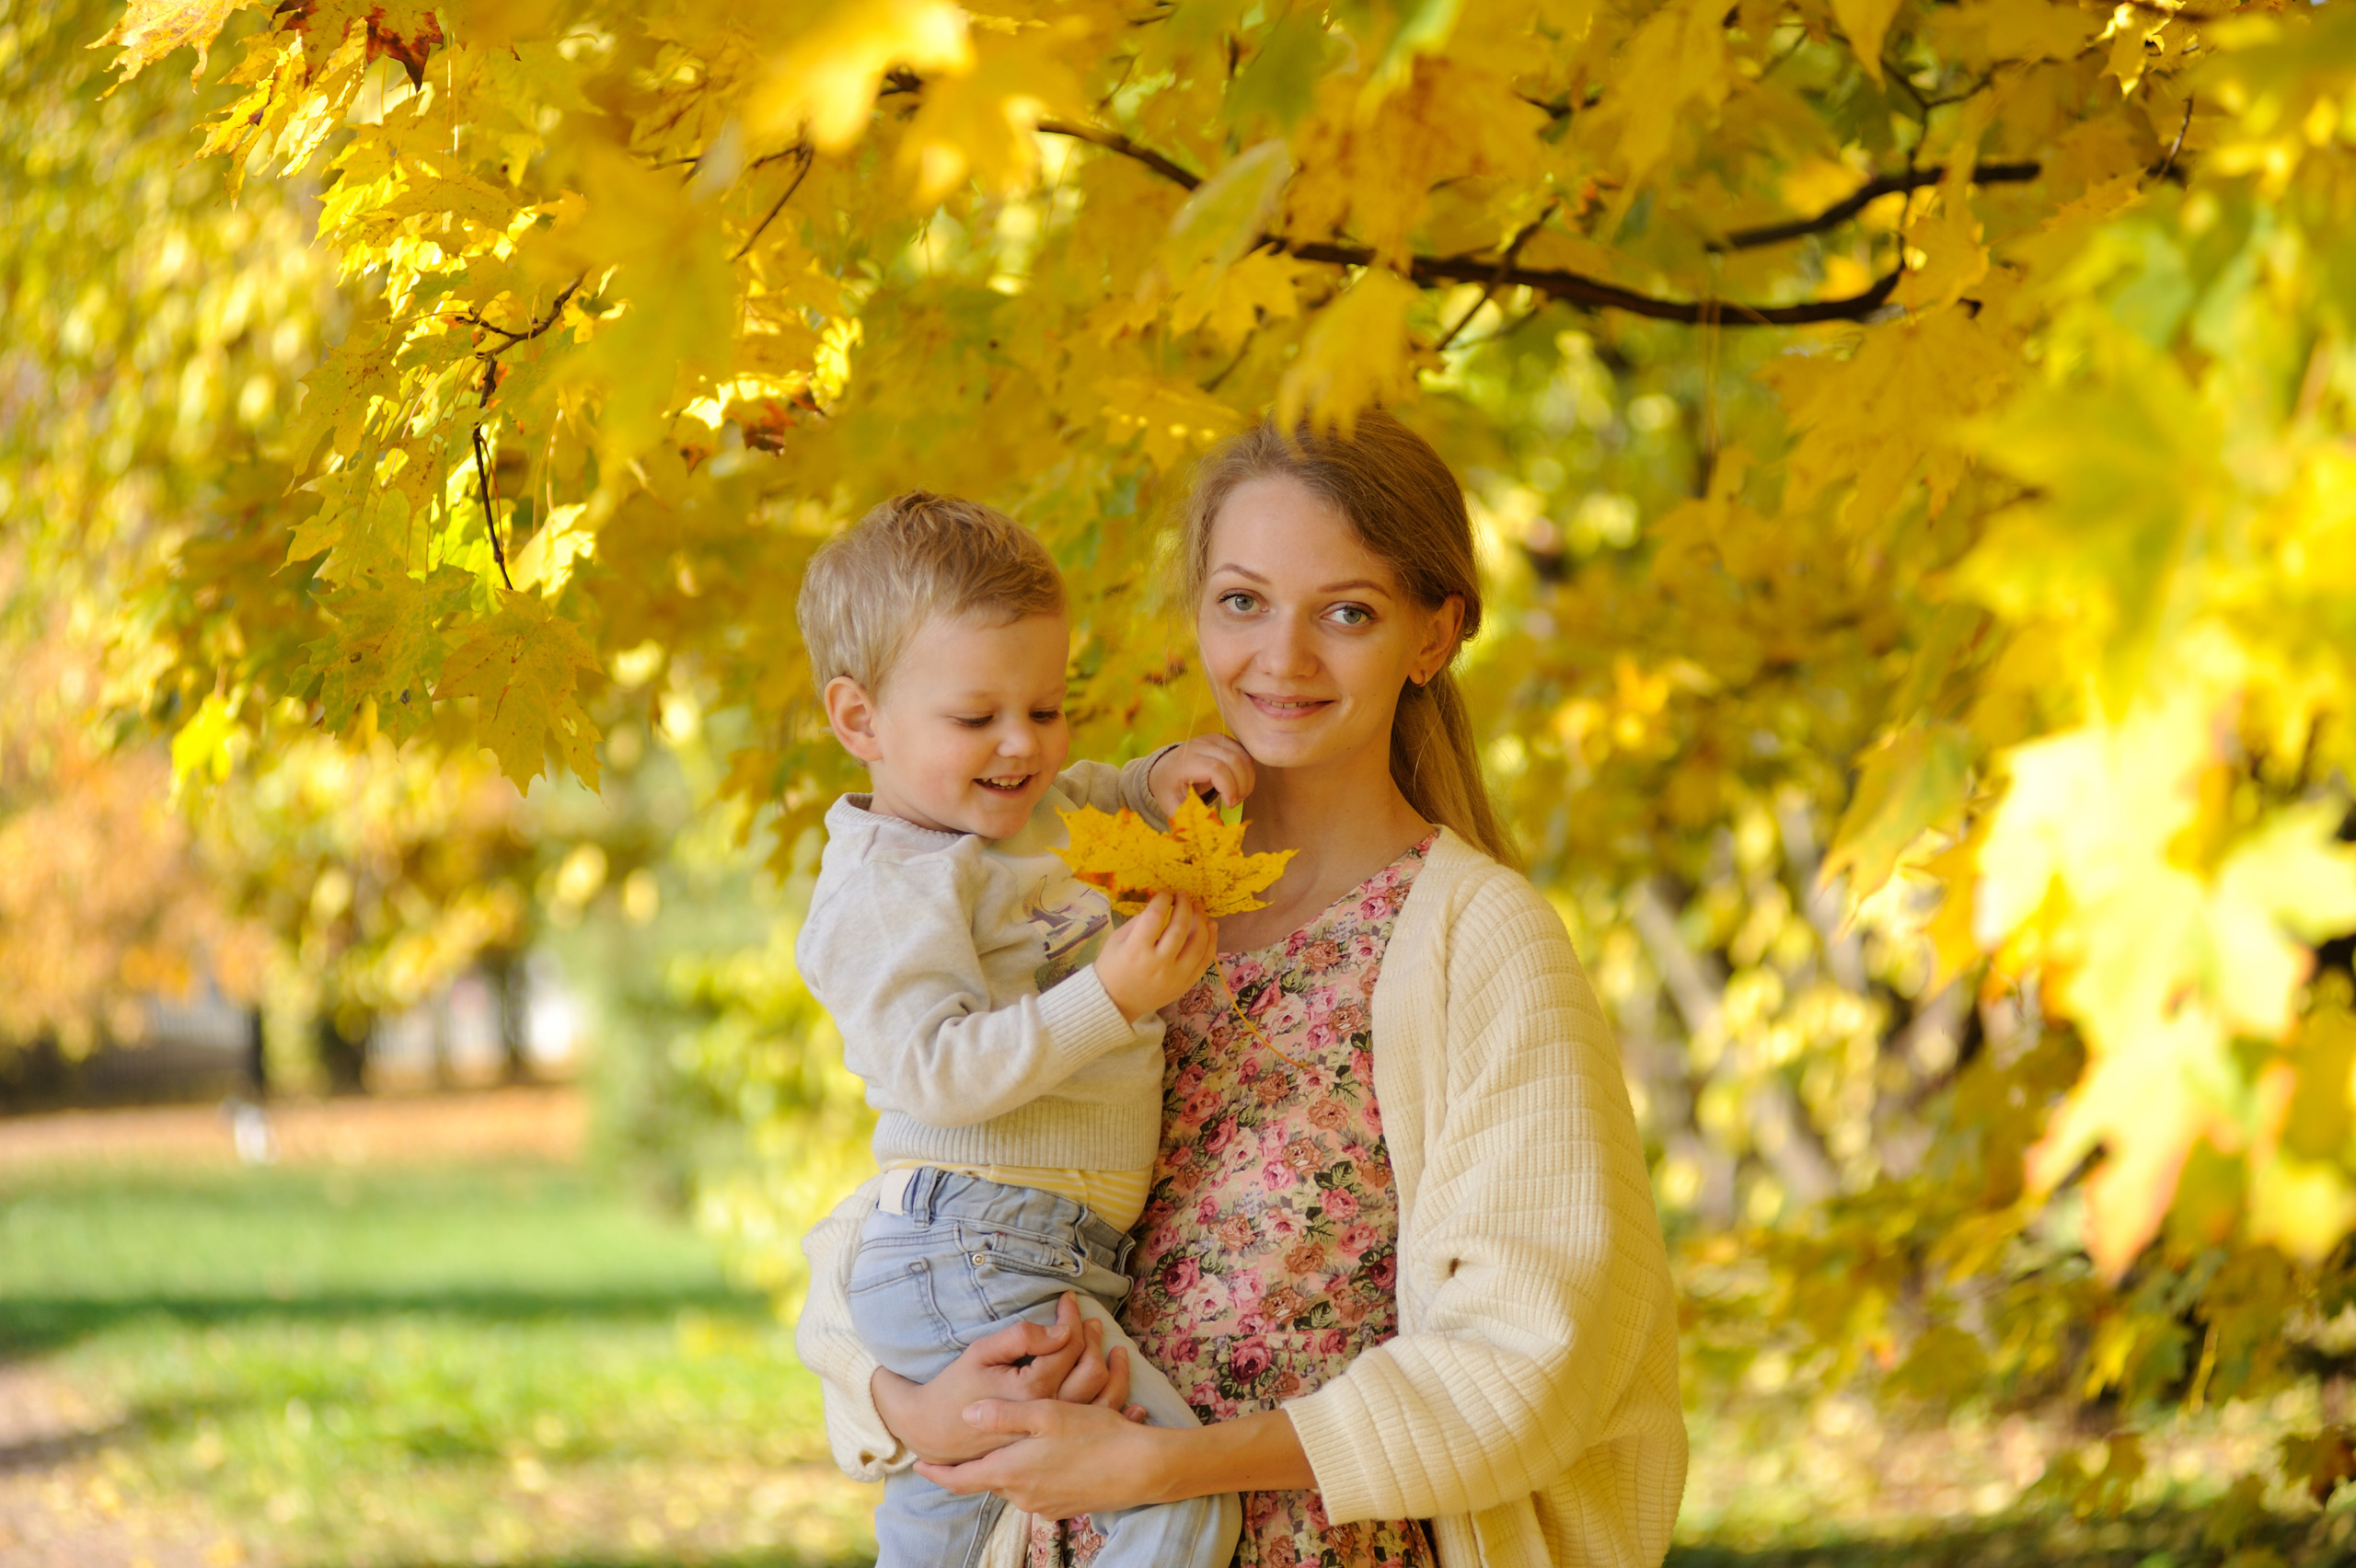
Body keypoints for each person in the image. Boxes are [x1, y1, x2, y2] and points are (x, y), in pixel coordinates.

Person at [796, 417, 1687, 1568]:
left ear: (1435, 633)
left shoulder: (1481, 940)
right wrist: (896, 1401)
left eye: (1348, 612)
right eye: (1242, 602)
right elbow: (912, 1198)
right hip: (1058, 1534)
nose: (1283, 659)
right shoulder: (1095, 870)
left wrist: (1172, 1470)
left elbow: (1530, 1363)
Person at [793, 490, 1245, 1568]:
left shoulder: (1011, 812)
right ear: (860, 721)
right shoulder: (889, 887)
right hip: (981, 1243)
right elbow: (936, 1072)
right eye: (977, 718)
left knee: (948, 1523)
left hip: (1025, 1243)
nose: (1022, 746)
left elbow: (1087, 795)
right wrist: (1112, 1001)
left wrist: (1155, 779)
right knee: (1177, 1500)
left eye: (1046, 711)